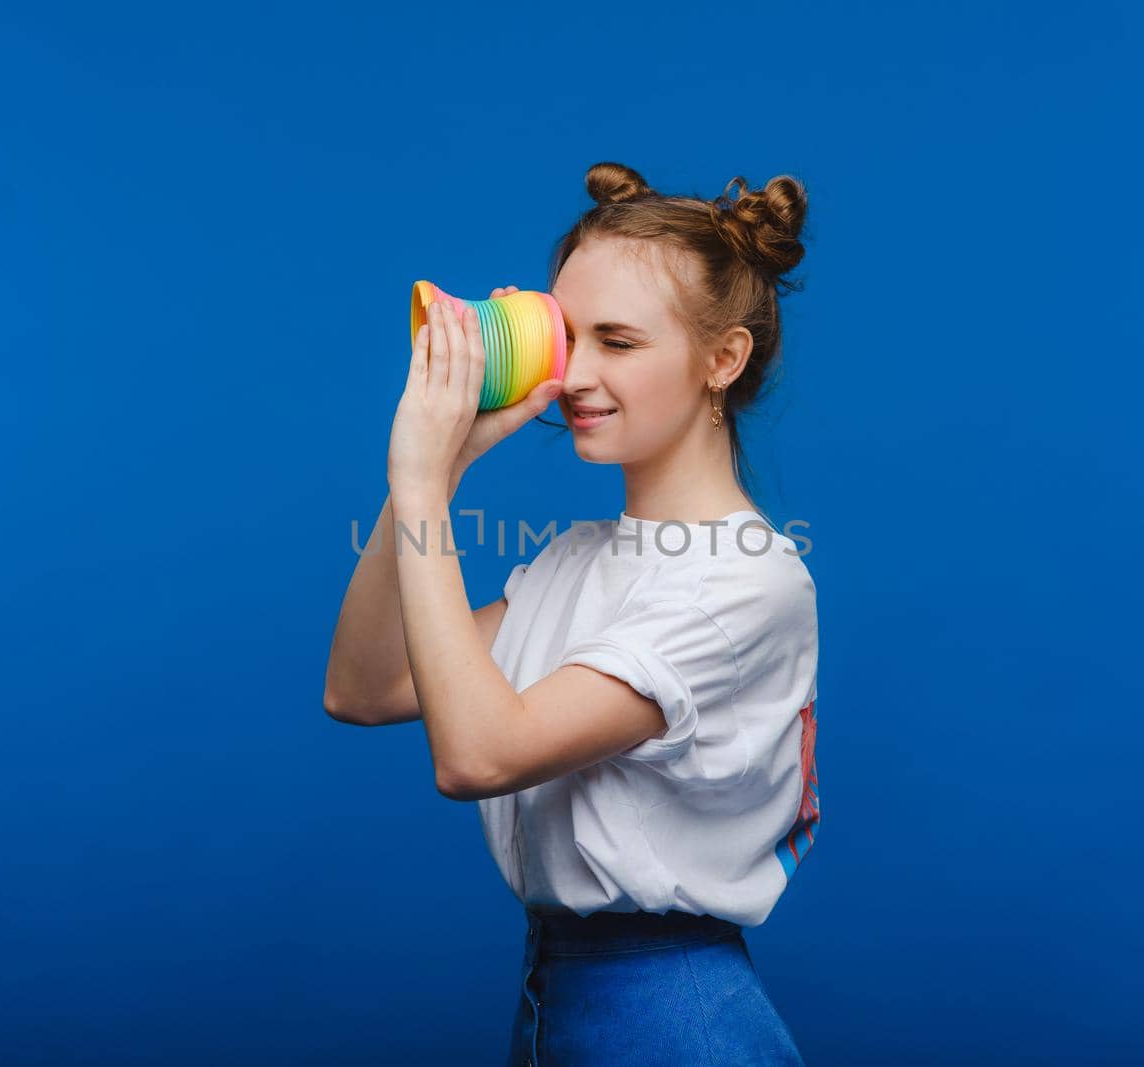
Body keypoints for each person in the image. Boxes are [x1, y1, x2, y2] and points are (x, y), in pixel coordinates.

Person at [325, 161, 819, 1066]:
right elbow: (365, 686)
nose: (578, 376)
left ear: (723, 359)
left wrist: (424, 480)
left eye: (619, 342)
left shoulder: (747, 583)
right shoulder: (575, 558)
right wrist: (439, 470)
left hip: (669, 1011)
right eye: (568, 337)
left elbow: (477, 755)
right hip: (555, 992)